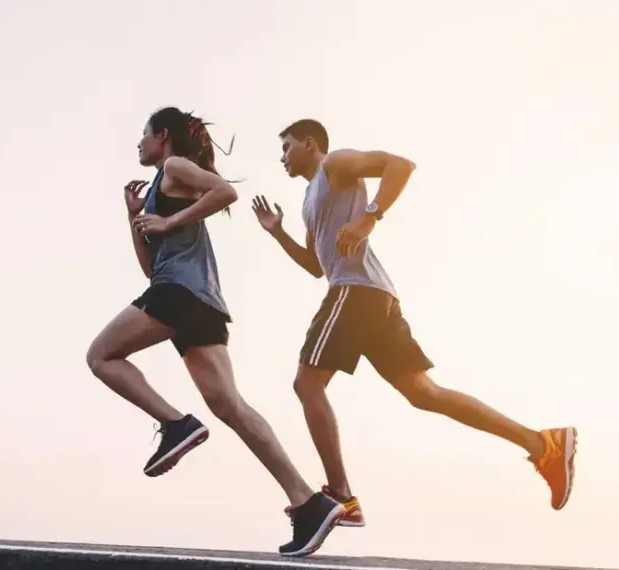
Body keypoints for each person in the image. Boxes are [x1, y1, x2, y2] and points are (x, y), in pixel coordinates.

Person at [252, 118, 577, 527]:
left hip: (356, 292)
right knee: (425, 393)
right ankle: (543, 444)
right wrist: (277, 232)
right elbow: (316, 267)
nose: (282, 156)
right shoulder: (309, 200)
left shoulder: (335, 164)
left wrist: (369, 219)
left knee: (306, 383)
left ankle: (342, 497)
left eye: (286, 146)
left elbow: (400, 165)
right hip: (374, 295)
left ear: (310, 143)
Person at [86, 107, 344, 557]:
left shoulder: (174, 166)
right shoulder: (156, 191)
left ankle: (175, 424)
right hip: (196, 302)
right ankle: (308, 503)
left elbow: (225, 193)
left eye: (143, 135)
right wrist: (136, 220)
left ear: (162, 136)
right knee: (232, 407)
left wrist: (168, 221)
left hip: (182, 296)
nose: (139, 144)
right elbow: (153, 268)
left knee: (101, 356)